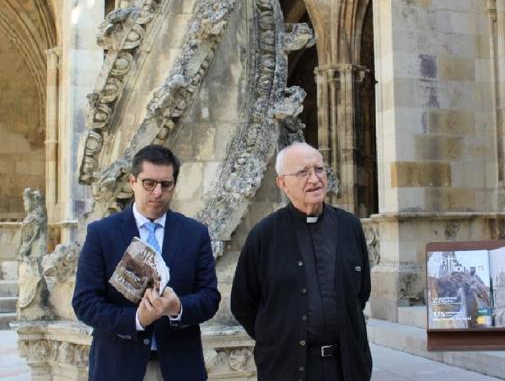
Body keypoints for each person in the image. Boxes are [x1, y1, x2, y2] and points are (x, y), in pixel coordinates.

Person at [72, 145, 221, 381]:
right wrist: (136, 320)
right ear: (132, 181)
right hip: (117, 368)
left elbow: (210, 298)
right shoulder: (102, 233)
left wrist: (177, 308)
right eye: (149, 183)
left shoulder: (195, 233)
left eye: (165, 184)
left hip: (180, 368)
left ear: (174, 185)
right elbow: (84, 303)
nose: (157, 192)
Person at [231, 142, 372, 381]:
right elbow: (243, 303)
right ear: (283, 184)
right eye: (303, 172)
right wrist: (278, 338)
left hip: (346, 367)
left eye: (319, 169)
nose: (314, 179)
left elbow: (361, 293)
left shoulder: (350, 226)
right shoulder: (264, 235)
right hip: (286, 367)